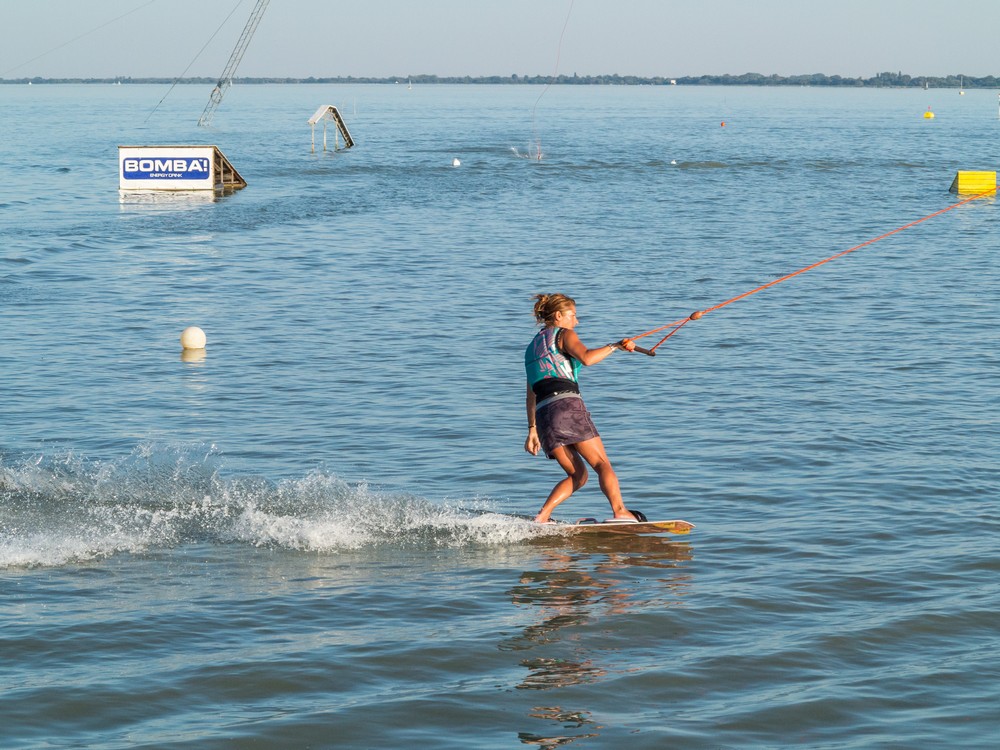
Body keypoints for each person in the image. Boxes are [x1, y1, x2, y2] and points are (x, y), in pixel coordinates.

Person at [523, 293, 639, 524]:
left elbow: (530, 393)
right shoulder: (564, 334)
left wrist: (532, 429)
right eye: (573, 315)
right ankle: (620, 512)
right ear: (558, 316)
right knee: (601, 464)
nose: (576, 321)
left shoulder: (531, 348)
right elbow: (586, 358)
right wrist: (615, 346)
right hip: (566, 406)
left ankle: (542, 517)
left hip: (544, 416)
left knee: (578, 475)